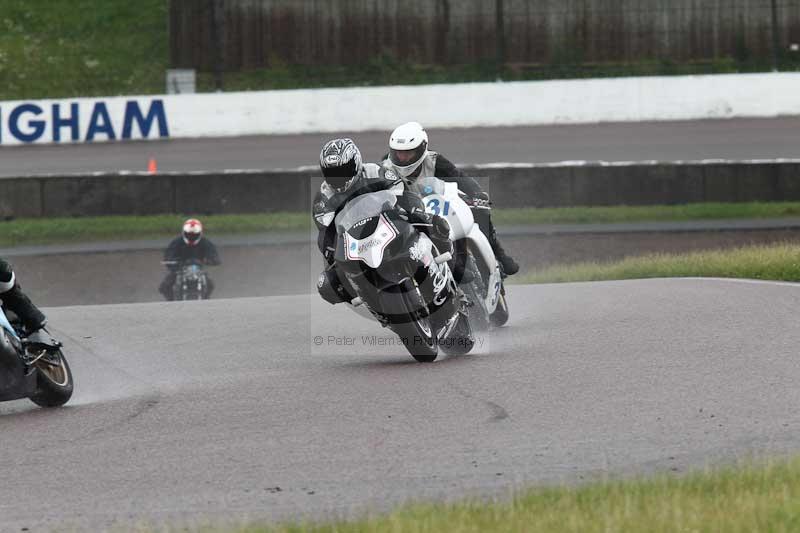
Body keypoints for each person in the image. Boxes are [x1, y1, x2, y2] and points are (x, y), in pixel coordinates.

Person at [314, 138, 451, 305]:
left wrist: (413, 212)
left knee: (433, 222)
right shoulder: (323, 197)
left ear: (356, 164)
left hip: (388, 224)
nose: (338, 177)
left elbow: (403, 193)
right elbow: (325, 234)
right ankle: (367, 295)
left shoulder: (376, 171)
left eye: (343, 170)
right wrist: (332, 253)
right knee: (326, 283)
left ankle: (447, 259)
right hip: (356, 244)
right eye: (332, 173)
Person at [382, 121, 519, 275]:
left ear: (421, 149)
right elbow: (376, 192)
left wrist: (477, 194)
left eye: (408, 153)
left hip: (438, 207)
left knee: (480, 211)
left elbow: (461, 178)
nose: (402, 158)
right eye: (398, 153)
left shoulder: (434, 161)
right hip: (408, 214)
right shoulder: (386, 167)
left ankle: (499, 254)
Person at [158, 218, 221, 300]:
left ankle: (205, 301)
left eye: (194, 234)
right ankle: (171, 303)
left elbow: (214, 254)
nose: (191, 236)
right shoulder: (177, 242)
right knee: (164, 287)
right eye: (189, 234)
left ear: (200, 233)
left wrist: (212, 260)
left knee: (210, 285)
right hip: (180, 269)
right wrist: (171, 262)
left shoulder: (205, 242)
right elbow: (169, 254)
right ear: (184, 233)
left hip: (199, 270)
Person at [0, 260, 47, 333]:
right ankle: (34, 319)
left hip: (4, 276)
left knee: (12, 296)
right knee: (13, 296)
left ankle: (33, 319)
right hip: (6, 273)